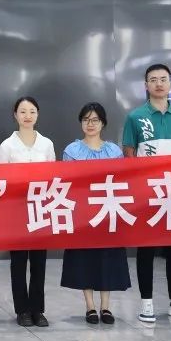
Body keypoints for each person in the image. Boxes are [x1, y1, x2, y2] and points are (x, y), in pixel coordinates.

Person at [122, 63, 171, 324]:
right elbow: (129, 153)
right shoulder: (135, 117)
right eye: (153, 79)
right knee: (146, 248)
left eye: (163, 79)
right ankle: (146, 302)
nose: (158, 83)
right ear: (146, 85)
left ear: (170, 84)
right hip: (146, 191)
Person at [60, 102, 131, 325]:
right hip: (82, 213)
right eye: (86, 120)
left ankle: (106, 306)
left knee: (107, 258)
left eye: (95, 120)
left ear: (103, 123)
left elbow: (121, 180)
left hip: (108, 211)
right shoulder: (71, 151)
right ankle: (90, 306)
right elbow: (68, 182)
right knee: (85, 259)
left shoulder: (114, 151)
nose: (90, 124)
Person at [0, 96, 56, 327]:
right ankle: (22, 310)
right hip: (16, 211)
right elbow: (1, 179)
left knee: (39, 262)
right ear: (15, 115)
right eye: (22, 111)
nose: (27, 116)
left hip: (40, 209)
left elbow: (53, 177)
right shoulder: (7, 145)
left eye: (32, 111)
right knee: (19, 262)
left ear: (37, 114)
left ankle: (37, 310)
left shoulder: (47, 144)